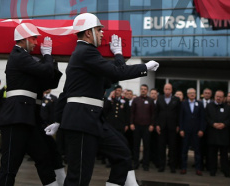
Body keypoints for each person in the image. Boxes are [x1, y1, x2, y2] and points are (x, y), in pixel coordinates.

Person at [49, 12, 159, 186]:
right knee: (79, 177)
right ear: (88, 32)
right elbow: (116, 72)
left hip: (92, 120)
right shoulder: (85, 52)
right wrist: (144, 67)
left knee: (122, 155)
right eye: (99, 30)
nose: (102, 34)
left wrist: (118, 55)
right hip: (81, 120)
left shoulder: (88, 56)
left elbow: (111, 76)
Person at [0, 22, 61, 186]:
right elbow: (45, 71)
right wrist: (47, 57)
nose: (36, 43)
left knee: (44, 158)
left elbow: (51, 82)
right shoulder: (18, 55)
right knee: (10, 165)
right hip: (15, 118)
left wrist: (52, 60)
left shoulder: (29, 60)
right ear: (23, 39)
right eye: (33, 38)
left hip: (29, 119)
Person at [178, 87, 205, 175]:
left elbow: (202, 118)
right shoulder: (183, 104)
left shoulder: (199, 104)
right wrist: (181, 129)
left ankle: (198, 168)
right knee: (184, 150)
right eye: (190, 93)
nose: (192, 94)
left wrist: (201, 129)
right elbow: (180, 118)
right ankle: (183, 167)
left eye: (194, 93)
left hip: (196, 131)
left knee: (197, 151)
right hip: (186, 131)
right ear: (188, 94)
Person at [205, 90, 230, 177]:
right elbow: (206, 117)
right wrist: (213, 124)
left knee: (224, 155)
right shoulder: (209, 106)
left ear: (223, 98)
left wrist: (224, 124)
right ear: (214, 97)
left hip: (223, 134)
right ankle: (213, 171)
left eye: (220, 96)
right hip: (213, 134)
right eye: (217, 96)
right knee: (212, 155)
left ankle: (225, 171)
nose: (219, 98)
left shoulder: (227, 107)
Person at [155, 83, 180, 173]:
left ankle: (172, 166)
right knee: (161, 148)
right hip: (162, 127)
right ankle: (162, 166)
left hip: (172, 127)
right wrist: (157, 125)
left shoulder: (176, 99)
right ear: (163, 90)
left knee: (172, 148)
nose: (167, 91)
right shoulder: (160, 98)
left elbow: (179, 114)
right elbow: (156, 113)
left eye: (169, 89)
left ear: (172, 90)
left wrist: (178, 125)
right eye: (166, 89)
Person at [130, 84, 155, 171]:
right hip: (136, 126)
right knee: (136, 146)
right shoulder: (135, 100)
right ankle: (136, 164)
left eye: (145, 89)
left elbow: (153, 114)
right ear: (140, 90)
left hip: (147, 127)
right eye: (142, 89)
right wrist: (131, 123)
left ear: (147, 91)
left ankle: (145, 164)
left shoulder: (151, 100)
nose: (143, 90)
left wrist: (152, 124)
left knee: (146, 146)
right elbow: (132, 112)